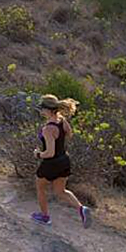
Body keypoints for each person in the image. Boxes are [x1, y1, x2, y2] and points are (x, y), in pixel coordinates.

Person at [30, 94, 91, 227]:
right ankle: (82, 209)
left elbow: (49, 153)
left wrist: (38, 154)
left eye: (42, 108)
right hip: (64, 160)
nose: (41, 111)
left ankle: (45, 217)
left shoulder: (48, 129)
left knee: (40, 187)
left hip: (51, 163)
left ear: (49, 110)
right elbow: (69, 133)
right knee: (60, 191)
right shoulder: (61, 120)